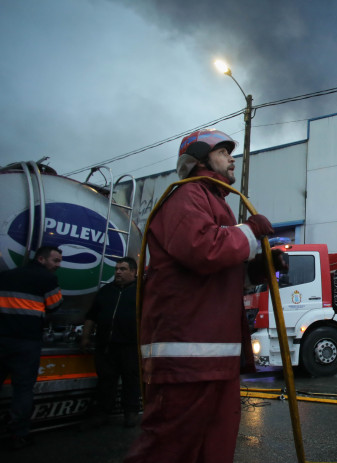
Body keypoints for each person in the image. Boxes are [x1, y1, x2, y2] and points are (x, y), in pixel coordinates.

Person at [124, 128, 286, 463]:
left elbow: (218, 273)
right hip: (188, 354)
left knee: (214, 445)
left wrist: (257, 269)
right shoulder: (187, 196)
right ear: (199, 157)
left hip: (212, 353)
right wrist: (251, 231)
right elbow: (203, 250)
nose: (232, 158)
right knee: (168, 448)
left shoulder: (215, 202)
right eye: (223, 151)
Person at [0, 246, 63, 450]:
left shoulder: (6, 276)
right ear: (42, 259)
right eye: (55, 260)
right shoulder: (47, 279)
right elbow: (55, 306)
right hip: (27, 342)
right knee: (23, 389)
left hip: (2, 337)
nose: (58, 265)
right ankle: (19, 434)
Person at [80, 256, 140, 428]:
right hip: (106, 346)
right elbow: (92, 316)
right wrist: (85, 337)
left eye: (123, 269)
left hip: (130, 346)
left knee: (131, 380)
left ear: (134, 272)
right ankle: (101, 414)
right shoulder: (106, 291)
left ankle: (131, 413)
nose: (118, 272)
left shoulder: (141, 292)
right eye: (116, 269)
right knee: (106, 380)